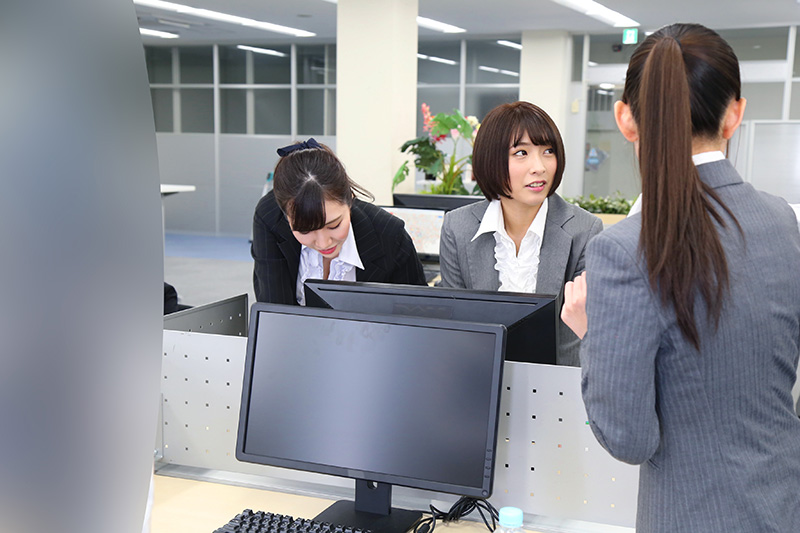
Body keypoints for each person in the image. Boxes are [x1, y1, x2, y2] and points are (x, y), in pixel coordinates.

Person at [561, 23, 800, 532]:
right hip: (785, 505)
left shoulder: (625, 250)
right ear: (734, 113)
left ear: (626, 119)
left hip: (692, 517)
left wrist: (592, 334)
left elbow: (629, 439)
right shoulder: (783, 220)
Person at [438, 101, 603, 366]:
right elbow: (456, 327)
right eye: (521, 153)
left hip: (555, 381)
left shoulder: (584, 230)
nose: (539, 167)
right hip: (479, 374)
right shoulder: (457, 227)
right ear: (491, 159)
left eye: (548, 151)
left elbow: (575, 340)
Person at [251, 139, 426, 304]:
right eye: (304, 230)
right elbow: (272, 310)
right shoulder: (270, 217)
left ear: (350, 199)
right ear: (286, 217)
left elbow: (417, 311)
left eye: (334, 225)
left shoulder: (389, 234)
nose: (323, 243)